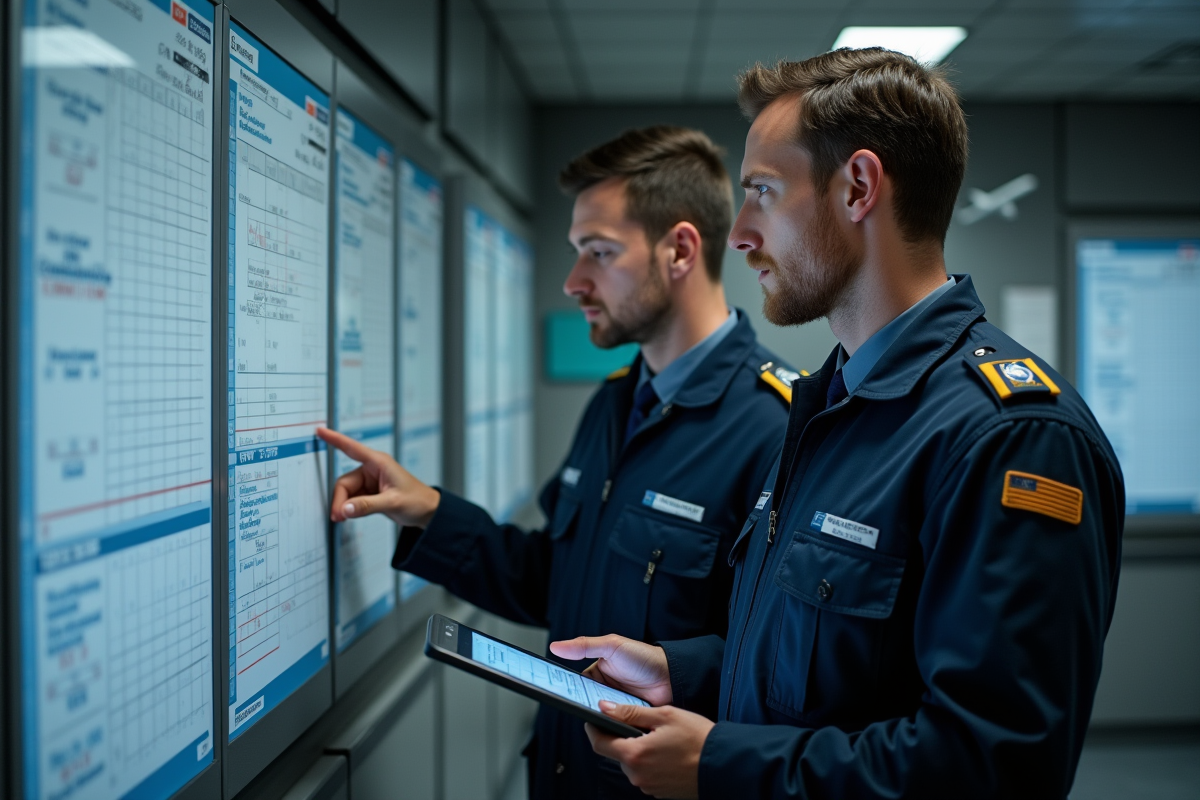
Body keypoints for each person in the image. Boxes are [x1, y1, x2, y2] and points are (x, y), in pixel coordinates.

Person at [550, 49, 1125, 799]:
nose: (743, 234)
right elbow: (831, 674)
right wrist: (680, 672)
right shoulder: (831, 406)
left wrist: (721, 764)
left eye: (762, 192)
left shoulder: (1014, 437)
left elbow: (993, 767)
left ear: (857, 187)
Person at [317, 125, 798, 799]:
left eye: (599, 252)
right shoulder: (616, 404)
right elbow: (559, 581)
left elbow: (784, 668)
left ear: (680, 250)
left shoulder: (779, 428)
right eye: (577, 251)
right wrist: (427, 510)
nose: (573, 282)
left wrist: (676, 672)